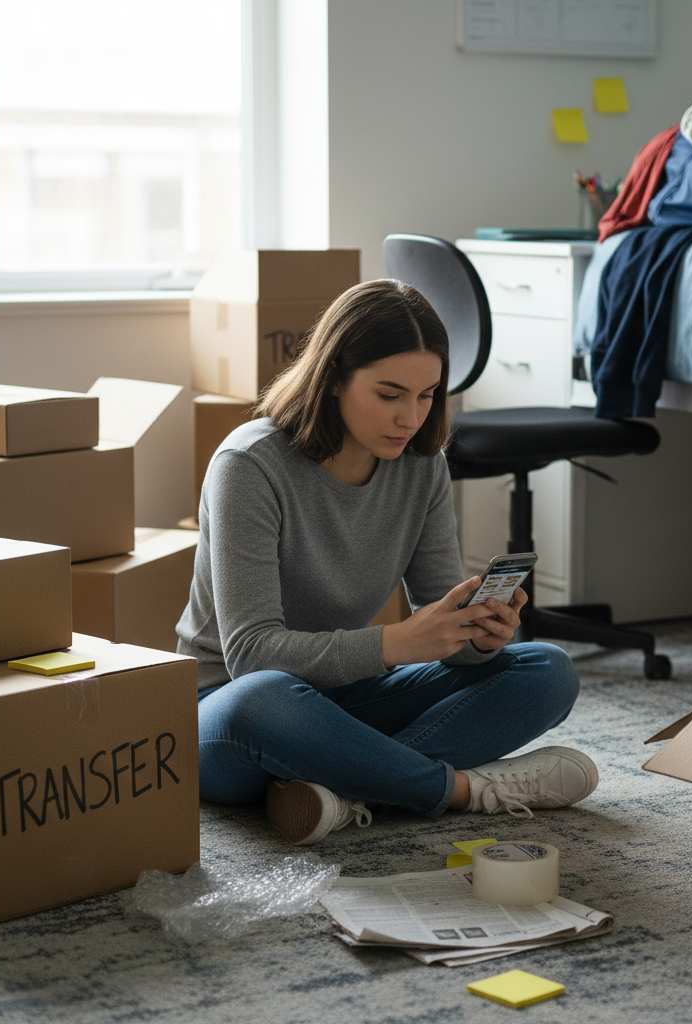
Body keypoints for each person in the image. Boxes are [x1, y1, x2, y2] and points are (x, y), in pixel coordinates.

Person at [177, 278, 598, 845]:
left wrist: (478, 637)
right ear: (332, 381)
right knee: (266, 698)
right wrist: (396, 645)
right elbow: (252, 656)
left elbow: (442, 619)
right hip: (231, 710)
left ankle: (344, 791)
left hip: (346, 696)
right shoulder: (249, 466)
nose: (411, 417)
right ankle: (459, 791)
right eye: (390, 393)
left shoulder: (422, 466)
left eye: (427, 396)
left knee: (547, 669)